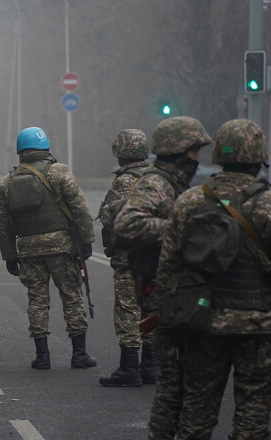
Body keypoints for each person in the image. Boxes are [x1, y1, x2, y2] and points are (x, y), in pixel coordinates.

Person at [156, 119, 270, 439]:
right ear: (259, 156)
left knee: (196, 409)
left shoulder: (192, 200)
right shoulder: (267, 203)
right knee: (252, 411)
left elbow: (169, 266)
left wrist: (167, 319)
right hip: (257, 325)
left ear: (218, 153)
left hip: (202, 320)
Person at [113, 116, 212, 439]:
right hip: (165, 296)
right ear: (179, 151)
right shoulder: (157, 182)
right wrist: (183, 231)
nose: (198, 160)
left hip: (178, 296)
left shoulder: (176, 182)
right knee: (174, 394)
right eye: (195, 151)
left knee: (178, 391)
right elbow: (127, 224)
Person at [0, 127, 97, 369]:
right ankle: (79, 354)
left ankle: (42, 356)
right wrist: (86, 241)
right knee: (72, 296)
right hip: (62, 247)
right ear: (46, 148)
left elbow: (3, 223)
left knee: (37, 301)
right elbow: (80, 209)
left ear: (20, 150)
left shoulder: (8, 181)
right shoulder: (60, 172)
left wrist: (10, 256)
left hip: (29, 250)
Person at [98, 129, 152, 387]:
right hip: (154, 256)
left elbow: (111, 218)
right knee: (151, 307)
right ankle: (151, 365)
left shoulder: (123, 182)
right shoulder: (157, 177)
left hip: (128, 256)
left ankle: (130, 367)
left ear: (119, 153)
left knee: (128, 309)